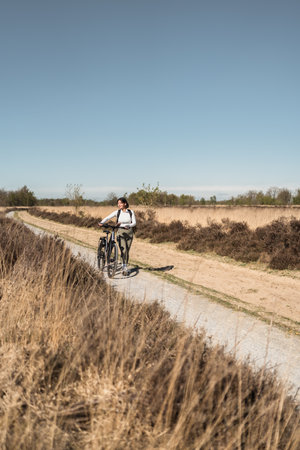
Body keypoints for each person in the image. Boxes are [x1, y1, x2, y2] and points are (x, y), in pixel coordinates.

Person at [98, 197, 136, 276]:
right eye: (118, 203)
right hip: (120, 232)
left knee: (127, 251)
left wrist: (127, 225)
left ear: (125, 203)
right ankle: (124, 268)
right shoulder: (117, 212)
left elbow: (134, 223)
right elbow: (108, 217)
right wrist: (101, 222)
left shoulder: (131, 212)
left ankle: (124, 265)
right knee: (123, 250)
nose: (119, 205)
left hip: (129, 232)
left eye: (120, 203)